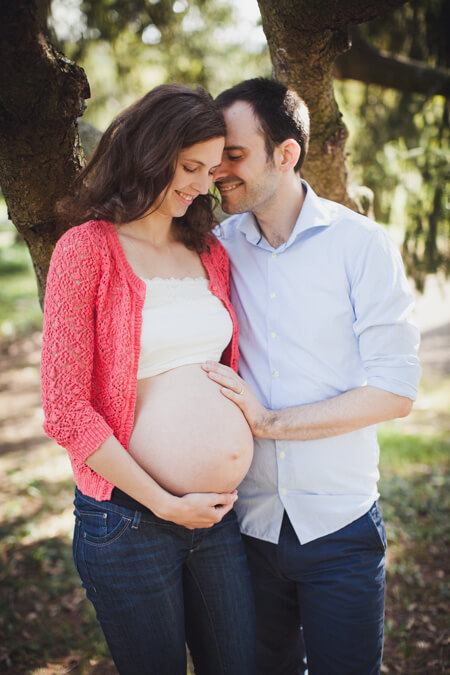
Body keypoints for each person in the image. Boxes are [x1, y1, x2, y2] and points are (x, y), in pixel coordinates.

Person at [202, 78, 421, 674]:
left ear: (287, 153)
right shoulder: (215, 249)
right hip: (245, 528)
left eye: (236, 154)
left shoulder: (361, 246)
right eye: (216, 155)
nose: (218, 170)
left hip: (340, 528)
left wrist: (271, 422)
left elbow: (396, 390)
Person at [41, 84, 257, 675]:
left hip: (214, 518)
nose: (199, 184)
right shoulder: (87, 250)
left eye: (210, 171)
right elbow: (65, 408)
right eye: (189, 167)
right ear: (150, 151)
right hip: (129, 521)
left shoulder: (209, 252)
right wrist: (164, 502)